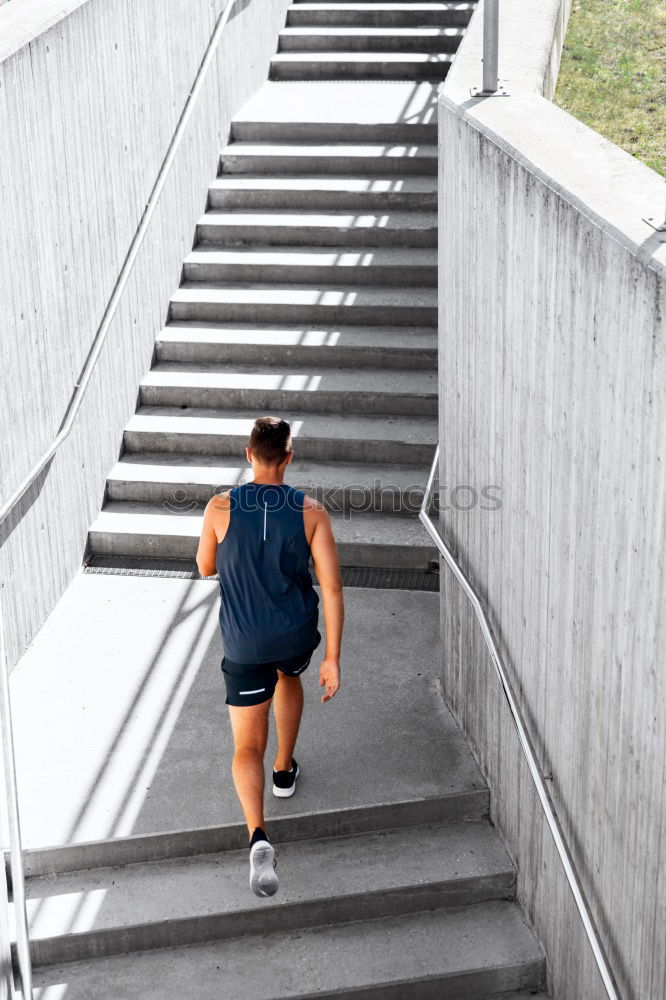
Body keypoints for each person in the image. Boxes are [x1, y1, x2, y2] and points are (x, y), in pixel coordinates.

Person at [195, 416, 344, 898]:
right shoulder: (312, 512)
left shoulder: (220, 506)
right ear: (289, 457)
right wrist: (333, 658)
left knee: (244, 747)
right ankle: (284, 770)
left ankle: (258, 834)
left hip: (244, 642)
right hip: (294, 635)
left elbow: (205, 567)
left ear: (248, 453)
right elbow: (334, 588)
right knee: (289, 675)